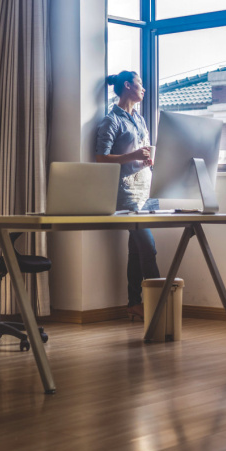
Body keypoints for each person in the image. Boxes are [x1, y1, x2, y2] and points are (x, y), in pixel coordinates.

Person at [95, 70, 160, 320]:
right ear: (127, 86)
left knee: (136, 249)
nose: (144, 88)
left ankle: (134, 303)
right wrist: (133, 156)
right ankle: (160, 305)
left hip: (146, 190)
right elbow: (101, 158)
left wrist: (146, 160)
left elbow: (141, 152)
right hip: (127, 194)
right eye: (140, 83)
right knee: (148, 247)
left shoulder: (140, 119)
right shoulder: (111, 120)